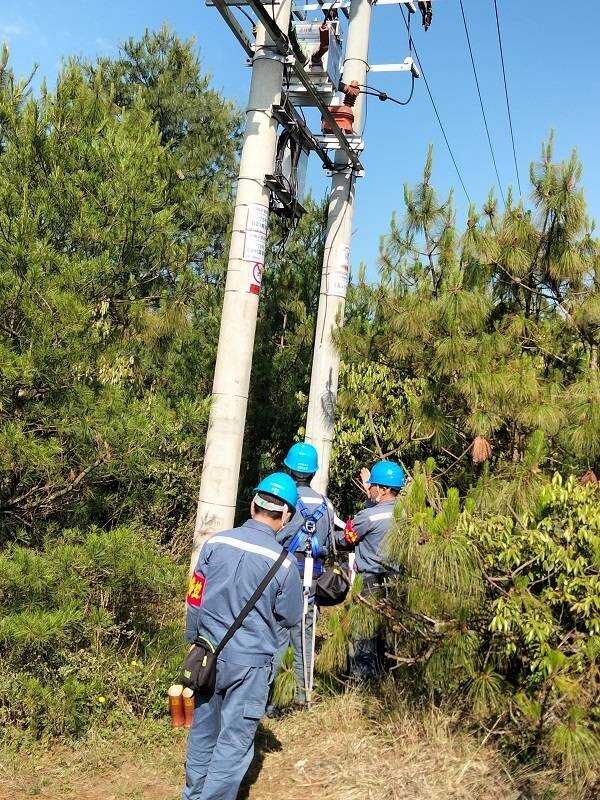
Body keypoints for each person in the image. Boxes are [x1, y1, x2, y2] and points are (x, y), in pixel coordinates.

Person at [182, 472, 303, 800]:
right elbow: (291, 617)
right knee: (234, 741)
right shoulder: (285, 565)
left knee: (203, 732)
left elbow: (194, 598)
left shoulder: (216, 544)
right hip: (250, 667)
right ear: (286, 516)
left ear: (253, 506)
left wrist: (194, 641)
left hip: (207, 656)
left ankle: (193, 795)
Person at [275, 442, 343, 705]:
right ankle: (303, 695)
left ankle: (272, 697)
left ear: (290, 470)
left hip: (285, 574)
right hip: (313, 577)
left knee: (278, 631)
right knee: (305, 634)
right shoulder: (327, 505)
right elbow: (331, 541)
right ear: (313, 473)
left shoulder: (285, 500)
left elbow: (277, 535)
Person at [336, 459, 405, 680]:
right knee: (389, 631)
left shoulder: (368, 516)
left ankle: (362, 680)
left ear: (383, 489)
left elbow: (346, 539)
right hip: (397, 580)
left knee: (363, 631)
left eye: (373, 485)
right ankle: (389, 677)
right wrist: (369, 496)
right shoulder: (407, 514)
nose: (370, 488)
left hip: (369, 582)